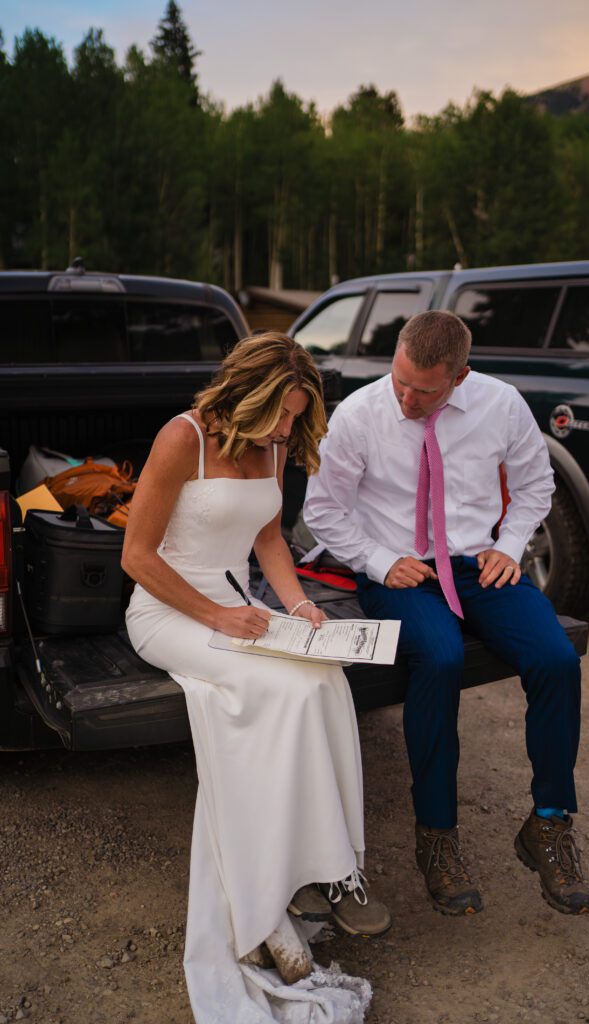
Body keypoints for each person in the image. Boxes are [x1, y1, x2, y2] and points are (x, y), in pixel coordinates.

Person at [123, 333, 390, 1024]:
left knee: (322, 679)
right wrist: (215, 613)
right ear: (244, 394)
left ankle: (323, 871)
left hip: (240, 604)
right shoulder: (182, 438)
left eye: (297, 415)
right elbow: (136, 556)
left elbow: (270, 540)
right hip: (169, 610)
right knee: (274, 692)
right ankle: (259, 894)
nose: (287, 428)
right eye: (280, 413)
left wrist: (300, 608)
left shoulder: (272, 447)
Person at [304, 310, 589, 919]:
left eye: (424, 389)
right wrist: (380, 561)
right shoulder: (360, 414)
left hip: (476, 564)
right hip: (399, 570)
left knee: (556, 658)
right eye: (400, 380)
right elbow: (325, 511)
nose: (406, 397)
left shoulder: (503, 404)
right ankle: (436, 836)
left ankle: (548, 824)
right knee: (440, 657)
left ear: (459, 377)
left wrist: (509, 546)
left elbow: (536, 485)